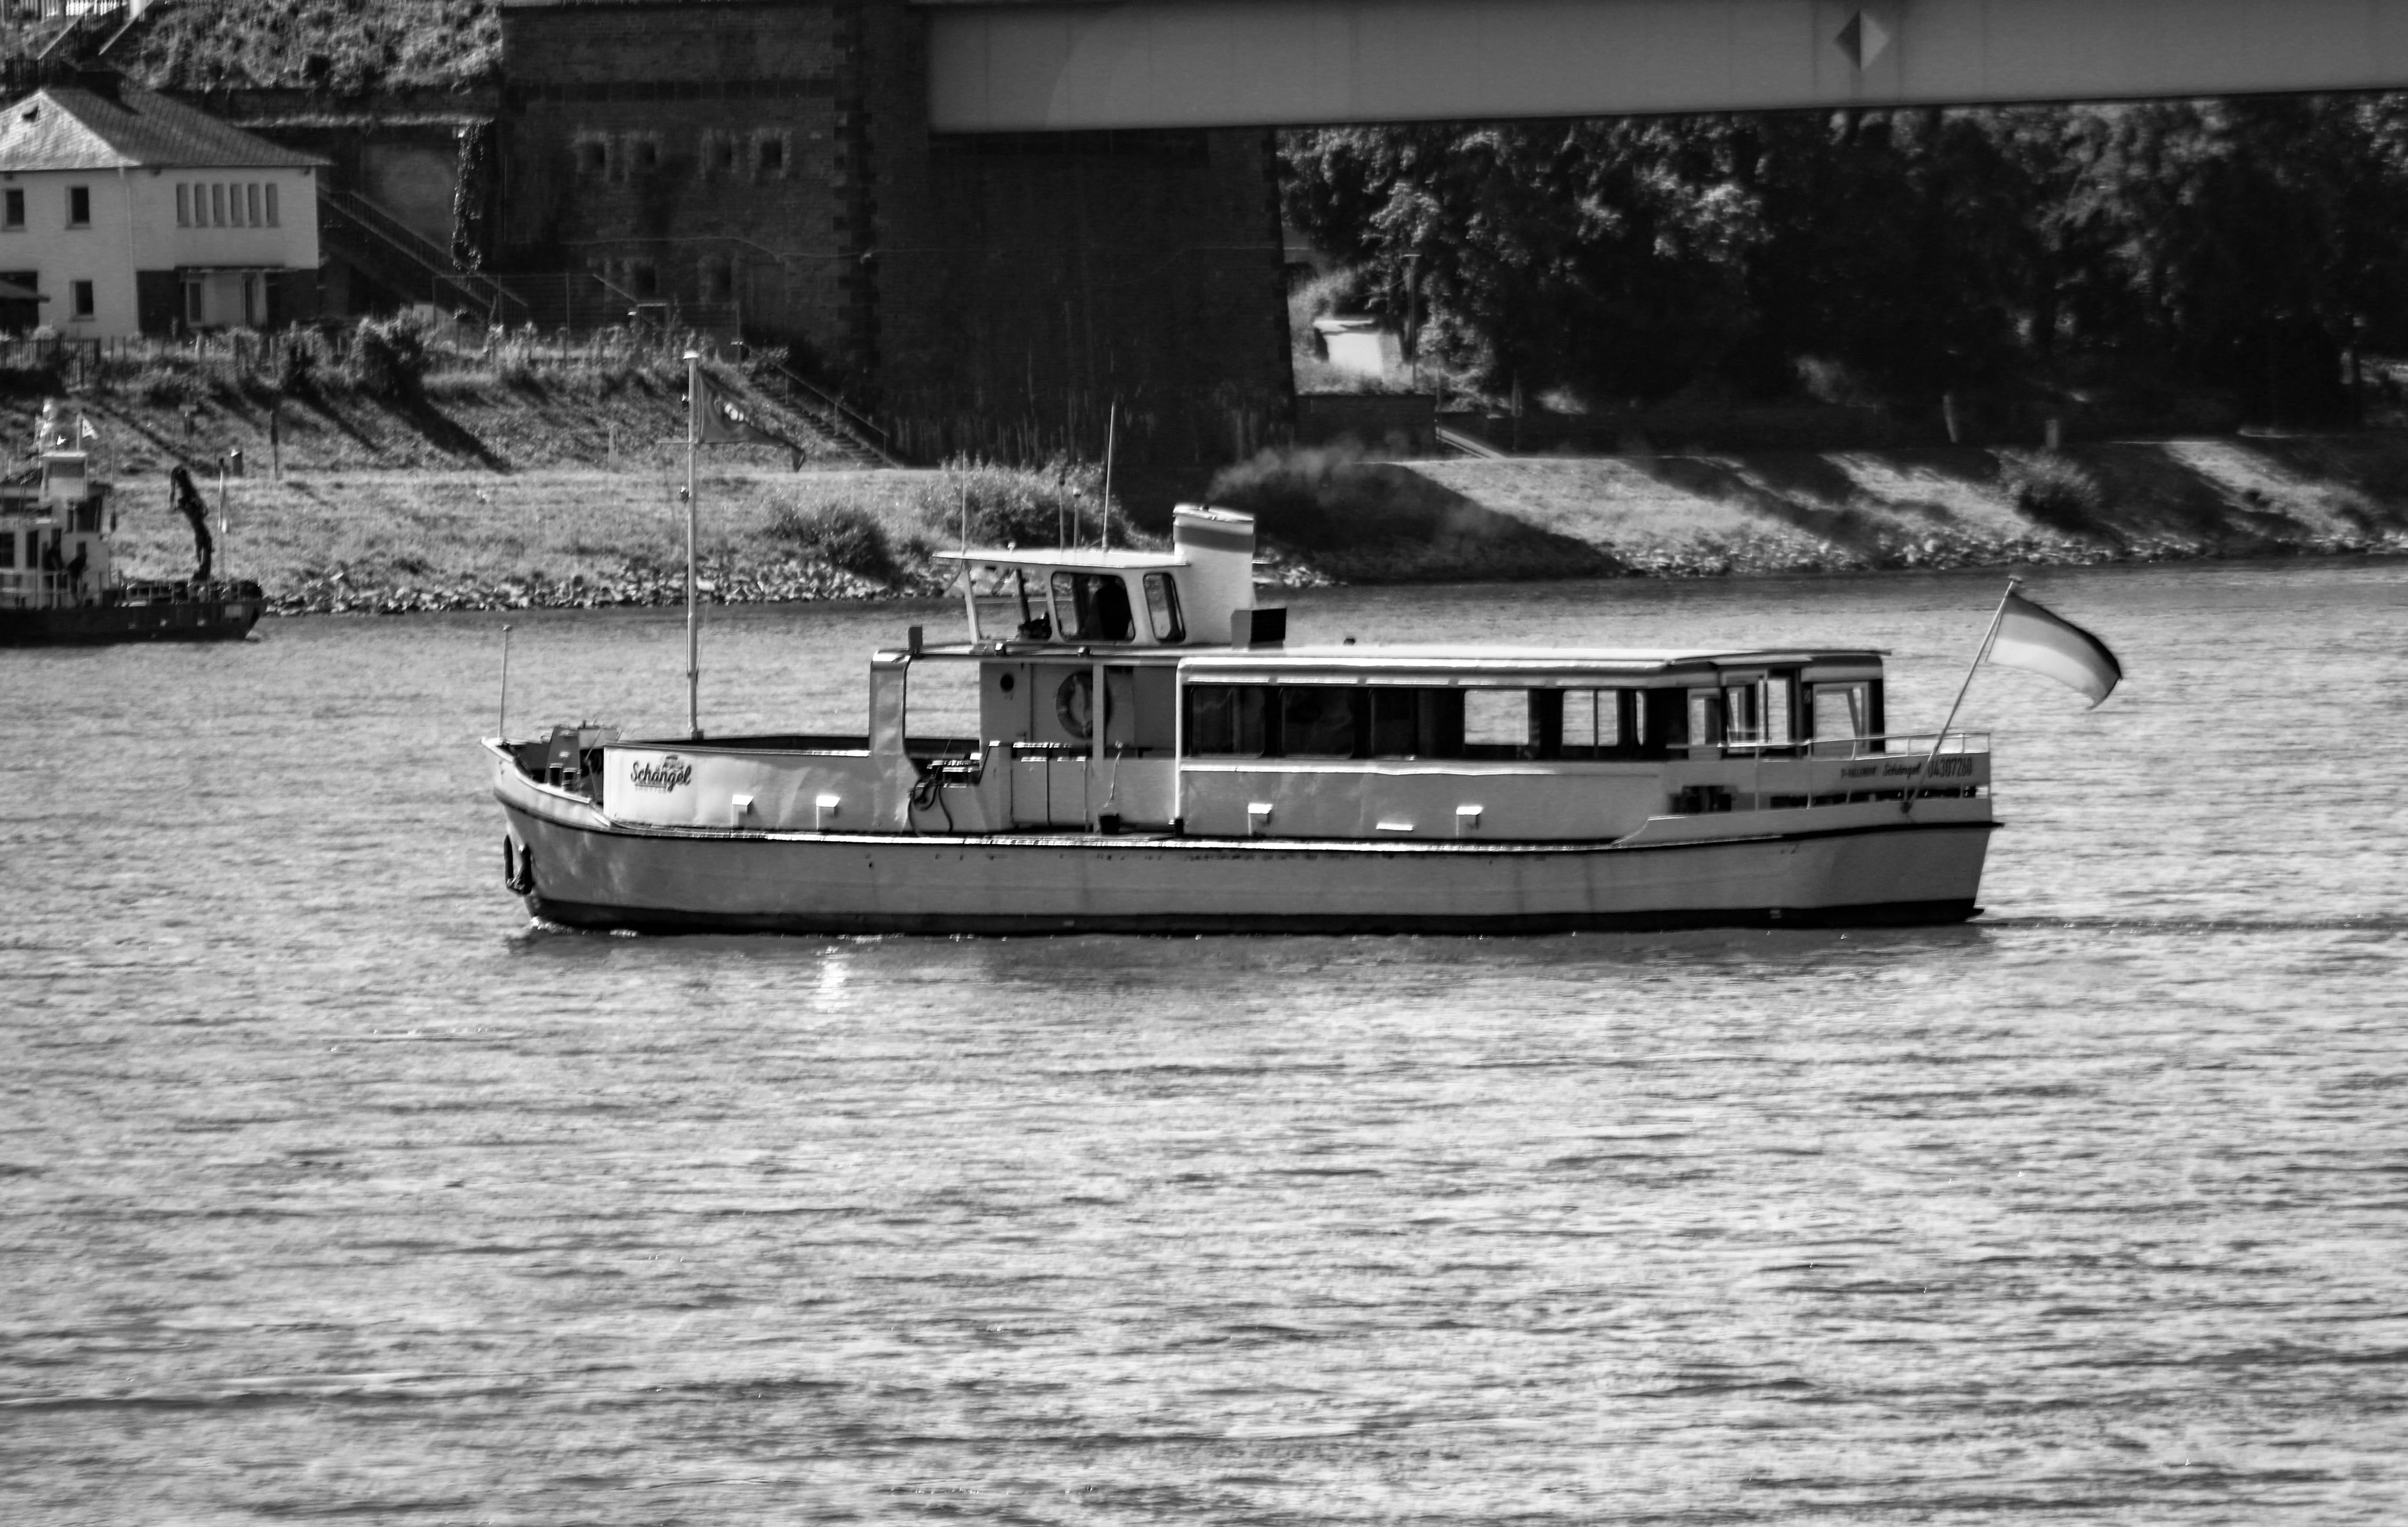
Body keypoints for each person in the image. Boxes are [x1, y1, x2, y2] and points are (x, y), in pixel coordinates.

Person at [169, 465, 214, 582]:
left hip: (198, 528)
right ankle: (205, 574)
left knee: (203, 548)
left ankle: (204, 574)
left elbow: (172, 509)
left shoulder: (183, 501)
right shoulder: (192, 497)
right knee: (205, 547)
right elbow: (206, 511)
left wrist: (172, 491)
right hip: (200, 527)